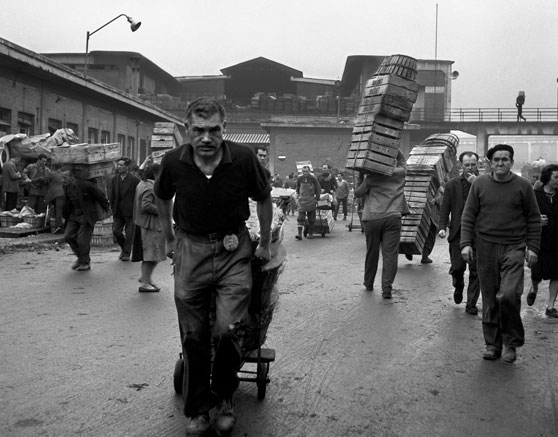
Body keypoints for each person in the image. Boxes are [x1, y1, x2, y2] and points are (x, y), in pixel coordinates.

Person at [154, 98, 272, 436]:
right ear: (187, 129)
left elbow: (263, 197)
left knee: (229, 329)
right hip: (190, 248)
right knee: (193, 334)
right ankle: (198, 410)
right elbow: (162, 196)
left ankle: (224, 399)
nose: (207, 138)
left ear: (225, 128)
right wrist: (168, 238)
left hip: (234, 248)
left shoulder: (244, 159)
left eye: (214, 130)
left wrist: (263, 243)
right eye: (199, 130)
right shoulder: (174, 161)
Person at [461, 144, 541, 364]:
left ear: (511, 162)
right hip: (485, 247)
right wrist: (466, 244)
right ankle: (492, 344)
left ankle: (511, 343)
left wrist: (532, 247)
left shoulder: (523, 187)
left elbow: (534, 218)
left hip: (514, 247)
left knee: (508, 295)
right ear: (490, 163)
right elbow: (469, 215)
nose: (500, 163)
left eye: (505, 159)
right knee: (489, 298)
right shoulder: (480, 184)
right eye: (496, 159)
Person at [355, 150, 409, 298]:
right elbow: (402, 160)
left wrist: (360, 174)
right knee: (390, 254)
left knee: (372, 252)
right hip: (393, 217)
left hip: (372, 218)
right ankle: (387, 289)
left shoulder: (371, 178)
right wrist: (392, 148)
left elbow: (358, 193)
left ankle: (369, 283)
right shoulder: (399, 173)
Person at [437, 152, 481, 314]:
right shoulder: (452, 185)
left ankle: (471, 303)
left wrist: (477, 184)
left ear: (478, 164)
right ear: (460, 165)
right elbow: (445, 208)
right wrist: (442, 227)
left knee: (477, 271)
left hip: (479, 234)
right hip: (458, 233)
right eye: (467, 164)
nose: (470, 167)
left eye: (473, 164)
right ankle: (458, 283)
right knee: (457, 267)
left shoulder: (485, 183)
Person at [526, 164, 558, 318]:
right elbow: (525, 215)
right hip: (539, 241)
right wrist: (537, 220)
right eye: (556, 177)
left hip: (557, 240)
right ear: (547, 178)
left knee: (557, 274)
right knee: (537, 273)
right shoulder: (535, 194)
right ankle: (533, 288)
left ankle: (551, 306)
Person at [63, 169, 110, 271]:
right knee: (68, 236)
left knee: (82, 240)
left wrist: (106, 207)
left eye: (65, 178)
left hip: (86, 215)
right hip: (73, 215)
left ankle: (85, 262)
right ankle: (81, 257)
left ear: (72, 177)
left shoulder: (85, 185)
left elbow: (99, 194)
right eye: (62, 178)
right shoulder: (66, 186)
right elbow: (66, 202)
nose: (63, 180)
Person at [133, 163, 166, 293]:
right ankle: (145, 282)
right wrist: (162, 210)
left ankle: (146, 278)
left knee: (153, 255)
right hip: (150, 225)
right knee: (151, 255)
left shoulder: (142, 184)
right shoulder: (150, 187)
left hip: (144, 224)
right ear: (156, 174)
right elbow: (146, 205)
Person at [110, 158, 140, 261]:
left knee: (129, 233)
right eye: (118, 165)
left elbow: (138, 195)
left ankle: (127, 253)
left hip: (130, 210)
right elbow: (112, 194)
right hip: (118, 210)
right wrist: (112, 208)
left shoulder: (134, 180)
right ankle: (124, 248)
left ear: (127, 167)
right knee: (116, 231)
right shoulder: (115, 179)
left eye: (122, 165)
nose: (119, 167)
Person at [295, 165, 321, 240]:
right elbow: (297, 188)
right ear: (302, 172)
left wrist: (317, 198)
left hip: (311, 200)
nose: (305, 173)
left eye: (306, 171)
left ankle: (310, 233)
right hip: (302, 201)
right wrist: (298, 195)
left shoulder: (313, 179)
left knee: (311, 218)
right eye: (304, 171)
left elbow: (318, 189)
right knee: (300, 218)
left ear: (309, 171)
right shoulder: (300, 179)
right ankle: (299, 234)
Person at [44, 162, 67, 234]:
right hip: (61, 193)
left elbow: (44, 179)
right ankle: (58, 226)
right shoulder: (62, 174)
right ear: (61, 167)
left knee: (56, 210)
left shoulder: (51, 173)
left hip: (54, 194)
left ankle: (57, 226)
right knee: (59, 210)